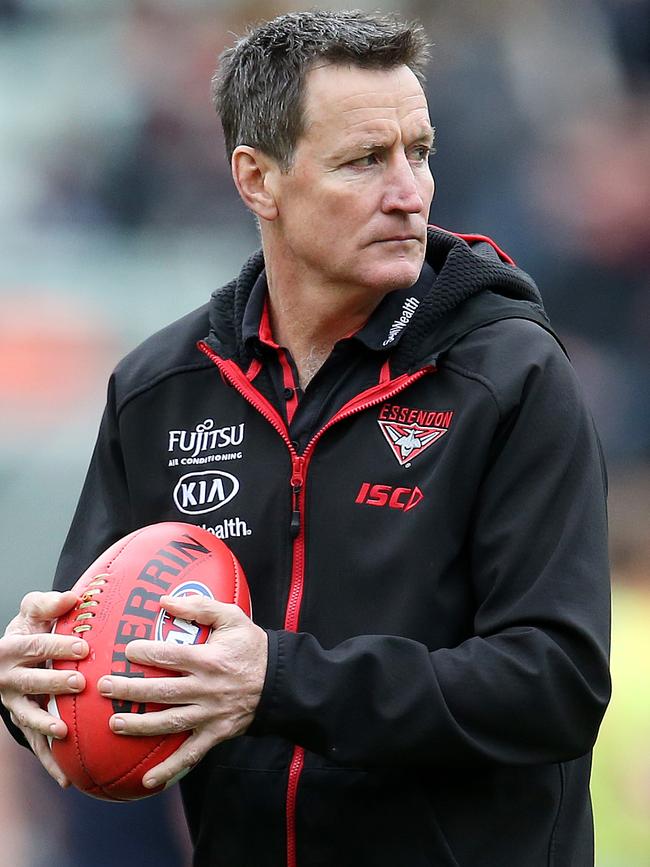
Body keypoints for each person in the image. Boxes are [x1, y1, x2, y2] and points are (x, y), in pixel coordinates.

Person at [0, 10, 611, 867]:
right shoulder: (159, 388)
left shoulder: (511, 378)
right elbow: (96, 667)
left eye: (419, 151)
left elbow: (555, 683)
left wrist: (280, 680)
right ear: (258, 180)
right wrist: (34, 690)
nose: (410, 190)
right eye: (365, 159)